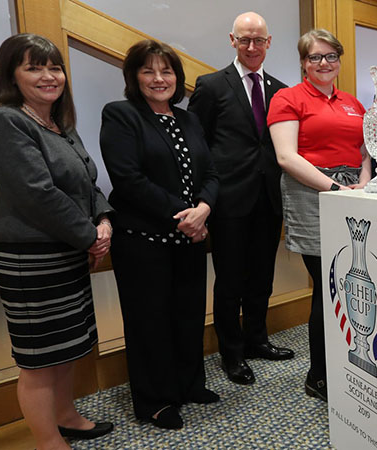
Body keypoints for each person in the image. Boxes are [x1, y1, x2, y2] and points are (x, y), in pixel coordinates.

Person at [0, 33, 114, 448]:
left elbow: (87, 180)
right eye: (34, 67)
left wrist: (103, 219)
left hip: (67, 251)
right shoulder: (3, 121)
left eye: (54, 67)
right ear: (12, 76)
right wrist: (90, 236)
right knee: (38, 360)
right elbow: (37, 193)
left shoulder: (57, 122)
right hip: (30, 258)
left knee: (66, 349)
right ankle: (48, 441)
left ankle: (66, 415)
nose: (49, 76)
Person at [100, 40, 220, 430]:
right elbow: (129, 180)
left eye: (166, 71)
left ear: (177, 77)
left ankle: (188, 384)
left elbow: (212, 174)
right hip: (143, 241)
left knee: (187, 316)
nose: (158, 78)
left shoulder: (189, 119)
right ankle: (153, 400)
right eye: (148, 71)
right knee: (149, 322)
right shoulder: (121, 115)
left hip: (190, 239)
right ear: (134, 77)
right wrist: (183, 216)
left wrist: (202, 208)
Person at [188, 11, 294, 386]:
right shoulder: (211, 85)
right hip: (229, 202)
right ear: (232, 41)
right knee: (230, 281)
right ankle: (231, 354)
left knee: (262, 277)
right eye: (245, 40)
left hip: (268, 199)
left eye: (259, 40)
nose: (252, 47)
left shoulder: (282, 91)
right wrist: (203, 198)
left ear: (269, 43)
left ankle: (257, 340)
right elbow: (196, 147)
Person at [268, 29, 371, 402]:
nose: (324, 63)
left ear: (339, 61)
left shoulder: (352, 103)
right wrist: (334, 190)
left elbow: (365, 150)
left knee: (353, 283)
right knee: (329, 287)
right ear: (302, 62)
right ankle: (320, 375)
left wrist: (363, 182)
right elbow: (286, 157)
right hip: (311, 192)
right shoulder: (288, 98)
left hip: (353, 193)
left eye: (331, 56)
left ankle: (350, 361)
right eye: (315, 57)